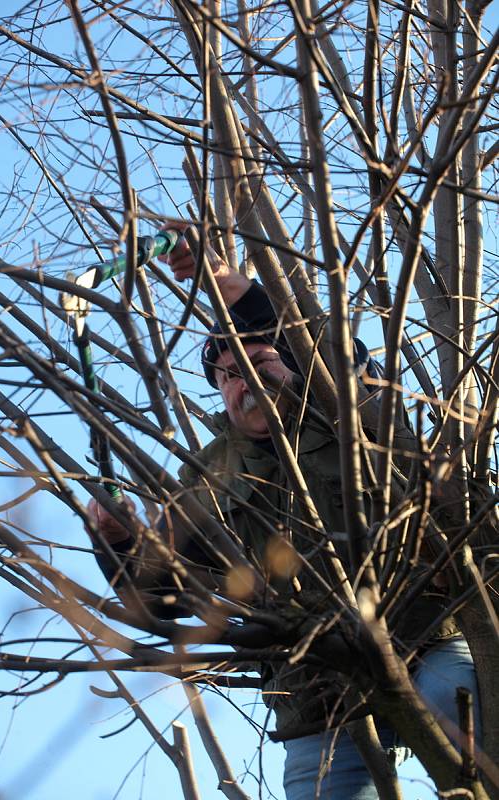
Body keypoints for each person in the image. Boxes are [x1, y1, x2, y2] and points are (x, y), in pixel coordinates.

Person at [89, 228, 481, 800]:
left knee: (471, 720)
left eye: (259, 359)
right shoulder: (205, 477)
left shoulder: (345, 405)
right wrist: (118, 540)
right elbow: (165, 596)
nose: (244, 381)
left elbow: (331, 348)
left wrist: (234, 288)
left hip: (428, 636)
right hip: (318, 686)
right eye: (226, 376)